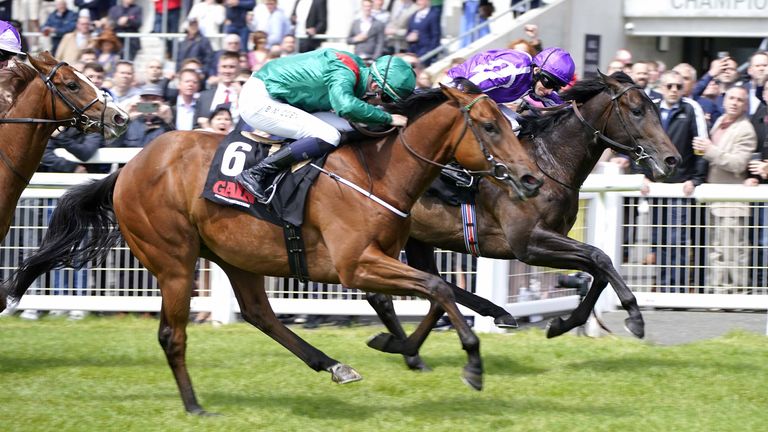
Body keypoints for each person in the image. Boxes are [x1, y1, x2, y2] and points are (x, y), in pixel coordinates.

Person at [235, 49, 415, 202]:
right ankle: (256, 173)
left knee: (349, 128)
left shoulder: (357, 70)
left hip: (284, 100)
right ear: (375, 86)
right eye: (386, 99)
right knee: (330, 136)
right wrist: (388, 118)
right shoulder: (344, 70)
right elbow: (346, 106)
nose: (381, 104)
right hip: (260, 100)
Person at [633, 70, 709, 293]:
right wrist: (642, 174)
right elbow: (639, 143)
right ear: (661, 87)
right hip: (657, 185)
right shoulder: (651, 107)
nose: (674, 90)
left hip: (680, 186)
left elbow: (701, 146)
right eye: (669, 86)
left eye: (678, 86)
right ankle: (665, 287)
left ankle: (676, 289)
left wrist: (695, 179)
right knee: (659, 238)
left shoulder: (691, 108)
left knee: (676, 239)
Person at [692, 86, 758, 292]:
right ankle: (718, 292)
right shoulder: (721, 122)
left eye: (739, 99)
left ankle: (738, 294)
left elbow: (738, 164)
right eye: (731, 98)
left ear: (745, 105)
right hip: (715, 198)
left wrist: (710, 150)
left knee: (734, 251)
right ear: (724, 100)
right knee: (716, 250)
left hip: (732, 201)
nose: (734, 102)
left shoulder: (745, 129)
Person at [446, 46, 575, 123]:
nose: (549, 90)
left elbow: (559, 105)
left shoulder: (535, 81)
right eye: (549, 83)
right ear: (537, 70)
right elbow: (468, 85)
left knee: (517, 124)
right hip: (457, 86)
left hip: (484, 99)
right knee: (508, 125)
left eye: (556, 86)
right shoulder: (516, 69)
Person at [110, 83, 175, 148]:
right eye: (146, 99)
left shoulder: (168, 121)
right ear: (140, 101)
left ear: (162, 101)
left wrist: (168, 122)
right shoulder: (131, 121)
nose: (150, 102)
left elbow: (176, 146)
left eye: (154, 98)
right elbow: (113, 145)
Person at [195, 50, 241, 128]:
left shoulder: (245, 95)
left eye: (232, 67)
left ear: (238, 69)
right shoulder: (204, 96)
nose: (227, 71)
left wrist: (243, 96)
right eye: (224, 67)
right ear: (218, 68)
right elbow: (195, 127)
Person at [405, 0, 441, 65]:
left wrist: (431, 53)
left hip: (425, 51)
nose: (418, 2)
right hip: (412, 50)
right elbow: (408, 31)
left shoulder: (433, 15)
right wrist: (408, 37)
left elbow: (436, 35)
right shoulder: (414, 15)